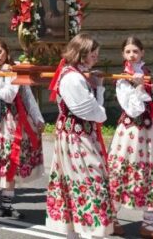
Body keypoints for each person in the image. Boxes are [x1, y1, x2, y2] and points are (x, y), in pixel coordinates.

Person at [46, 32, 119, 238]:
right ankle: (89, 231)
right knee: (90, 181)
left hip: (77, 135)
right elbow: (93, 113)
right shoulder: (72, 78)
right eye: (92, 53)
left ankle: (81, 231)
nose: (96, 57)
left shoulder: (75, 75)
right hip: (76, 138)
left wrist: (97, 88)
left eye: (96, 53)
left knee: (78, 182)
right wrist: (100, 97)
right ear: (81, 53)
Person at [107, 37, 153, 239]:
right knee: (122, 173)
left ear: (142, 52)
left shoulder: (146, 72)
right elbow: (133, 109)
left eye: (135, 51)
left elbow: (152, 98)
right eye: (128, 51)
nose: (132, 55)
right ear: (123, 55)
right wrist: (138, 88)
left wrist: (145, 86)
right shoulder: (122, 78)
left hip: (149, 132)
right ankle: (111, 217)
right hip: (131, 134)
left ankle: (148, 224)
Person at [0, 38, 44, 219]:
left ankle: (8, 203)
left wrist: (38, 118)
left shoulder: (14, 69)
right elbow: (7, 95)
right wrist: (12, 76)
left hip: (16, 122)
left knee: (11, 163)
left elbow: (27, 96)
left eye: (0, 51)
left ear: (6, 50)